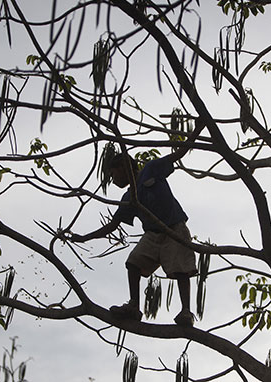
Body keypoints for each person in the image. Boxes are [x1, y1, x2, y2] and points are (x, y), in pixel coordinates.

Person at [71, 122, 204, 326]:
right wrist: (83, 237)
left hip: (174, 228)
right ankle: (134, 306)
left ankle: (186, 311)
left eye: (114, 173)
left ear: (124, 167)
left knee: (180, 270)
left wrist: (197, 130)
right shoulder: (128, 197)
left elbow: (179, 154)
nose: (113, 179)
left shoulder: (150, 170)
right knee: (133, 263)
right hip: (152, 235)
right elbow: (112, 225)